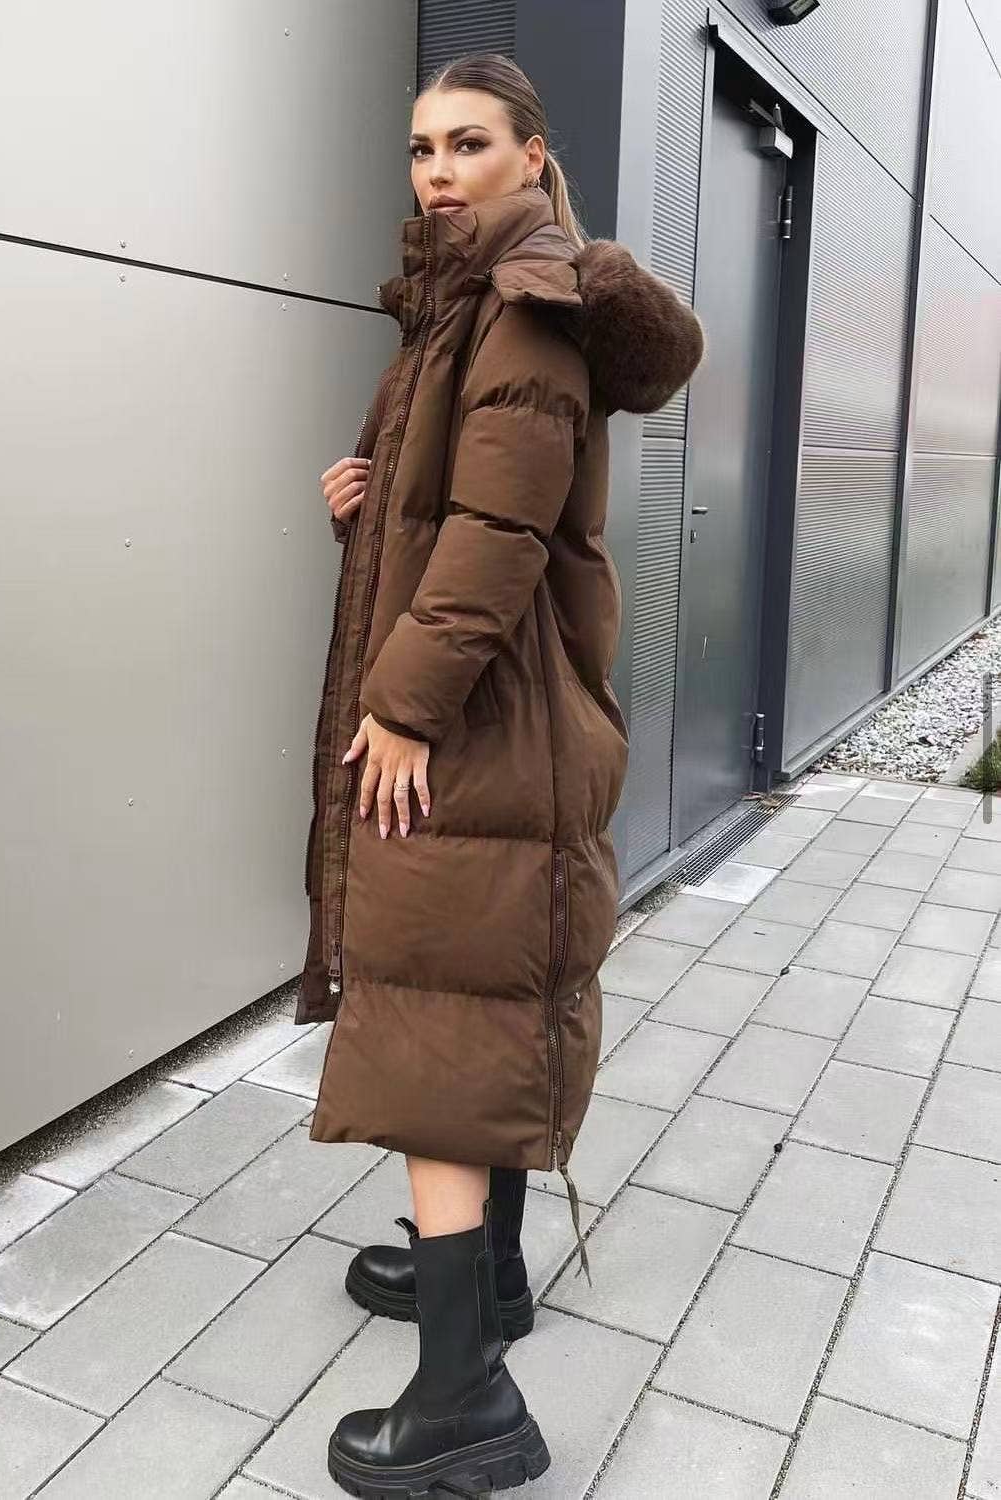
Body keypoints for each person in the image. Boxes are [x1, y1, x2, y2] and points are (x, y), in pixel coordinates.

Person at [297, 52, 706, 1497]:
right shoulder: (472, 298)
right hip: (491, 702)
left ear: (533, 156)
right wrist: (363, 506)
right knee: (475, 1010)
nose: (437, 173)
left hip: (475, 720)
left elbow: (497, 538)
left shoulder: (524, 304)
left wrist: (404, 707)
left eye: (468, 144)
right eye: (421, 149)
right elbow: (454, 506)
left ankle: (466, 1404)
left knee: (435, 1032)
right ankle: (493, 1278)